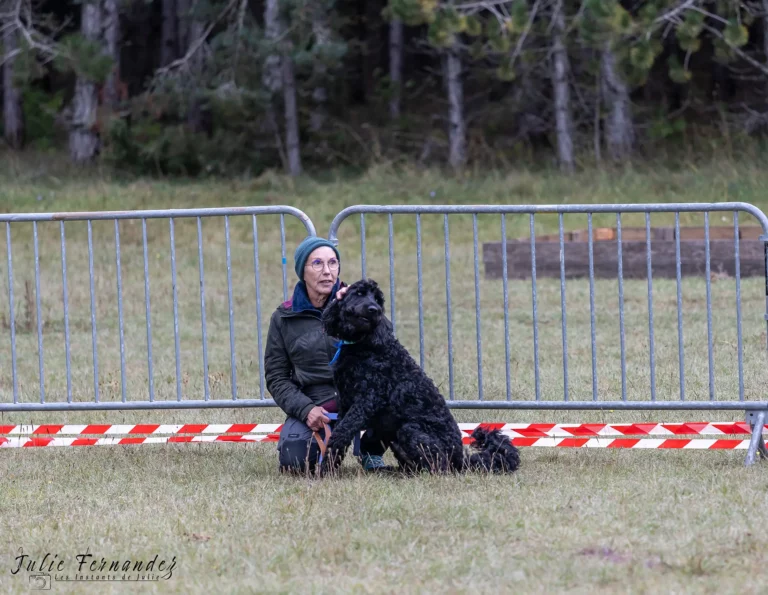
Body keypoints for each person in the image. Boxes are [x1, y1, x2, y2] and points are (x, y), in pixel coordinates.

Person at [264, 236, 389, 474]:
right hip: (318, 401)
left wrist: (358, 302)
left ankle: (371, 450)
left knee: (398, 403)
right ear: (303, 271)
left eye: (333, 263)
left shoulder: (356, 304)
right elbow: (276, 377)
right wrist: (305, 409)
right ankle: (327, 449)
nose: (327, 272)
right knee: (295, 463)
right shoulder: (283, 317)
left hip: (362, 395)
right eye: (317, 264)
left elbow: (387, 341)